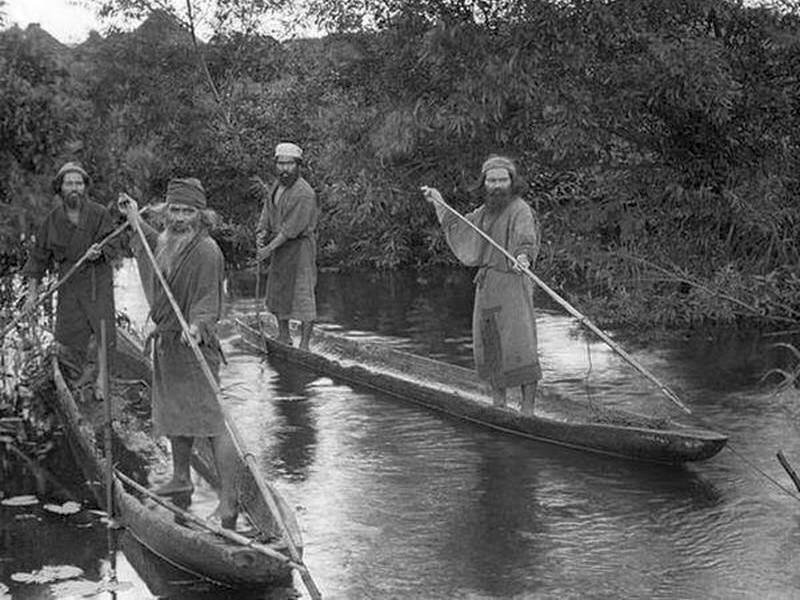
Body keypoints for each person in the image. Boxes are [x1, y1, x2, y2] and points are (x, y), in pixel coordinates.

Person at [118, 178, 238, 528]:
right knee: (175, 411)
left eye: (188, 211)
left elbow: (206, 299)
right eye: (175, 209)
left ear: (201, 216)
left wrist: (198, 326)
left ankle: (229, 504)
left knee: (215, 426)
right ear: (165, 211)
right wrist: (135, 222)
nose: (180, 217)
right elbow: (156, 251)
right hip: (170, 344)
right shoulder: (170, 241)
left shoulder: (206, 251)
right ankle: (181, 477)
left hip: (194, 346)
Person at [421, 155, 541, 415]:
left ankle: (528, 410)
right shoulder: (485, 213)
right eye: (492, 180)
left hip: (512, 284)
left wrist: (522, 257)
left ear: (511, 181)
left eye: (502, 180)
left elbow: (525, 240)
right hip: (487, 288)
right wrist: (438, 202)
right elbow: (459, 225)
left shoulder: (520, 209)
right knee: (491, 345)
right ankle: (499, 404)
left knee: (520, 344)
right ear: (484, 183)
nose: (497, 185)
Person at [21, 161, 118, 384]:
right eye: (69, 184)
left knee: (102, 330)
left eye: (78, 183)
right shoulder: (52, 220)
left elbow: (114, 243)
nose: (74, 188)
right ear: (60, 188)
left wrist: (100, 251)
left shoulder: (99, 214)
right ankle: (79, 374)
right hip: (69, 282)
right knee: (69, 332)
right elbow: (38, 259)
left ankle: (102, 379)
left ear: (85, 187)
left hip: (97, 280)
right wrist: (32, 294)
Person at [256, 142, 319, 350]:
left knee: (303, 294)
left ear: (298, 165)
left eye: (289, 164)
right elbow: (267, 210)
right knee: (279, 291)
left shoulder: (304, 193)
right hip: (280, 248)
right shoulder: (276, 186)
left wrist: (268, 249)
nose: (284, 168)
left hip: (300, 249)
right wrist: (262, 232)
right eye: (281, 164)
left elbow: (290, 229)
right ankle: (283, 336)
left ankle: (305, 345)